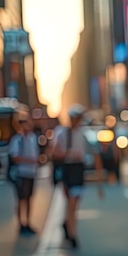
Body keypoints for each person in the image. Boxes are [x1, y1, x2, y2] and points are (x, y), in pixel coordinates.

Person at [48, 104, 102, 248]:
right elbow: (53, 153)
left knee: (74, 202)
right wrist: (69, 154)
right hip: (67, 169)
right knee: (71, 202)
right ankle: (72, 234)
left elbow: (95, 154)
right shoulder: (61, 133)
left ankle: (68, 225)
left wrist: (99, 180)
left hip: (78, 170)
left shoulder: (82, 135)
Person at [8, 115, 40, 234]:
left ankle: (28, 222)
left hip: (31, 172)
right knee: (21, 198)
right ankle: (21, 223)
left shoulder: (32, 138)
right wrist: (30, 161)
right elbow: (15, 157)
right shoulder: (17, 139)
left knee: (29, 198)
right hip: (21, 173)